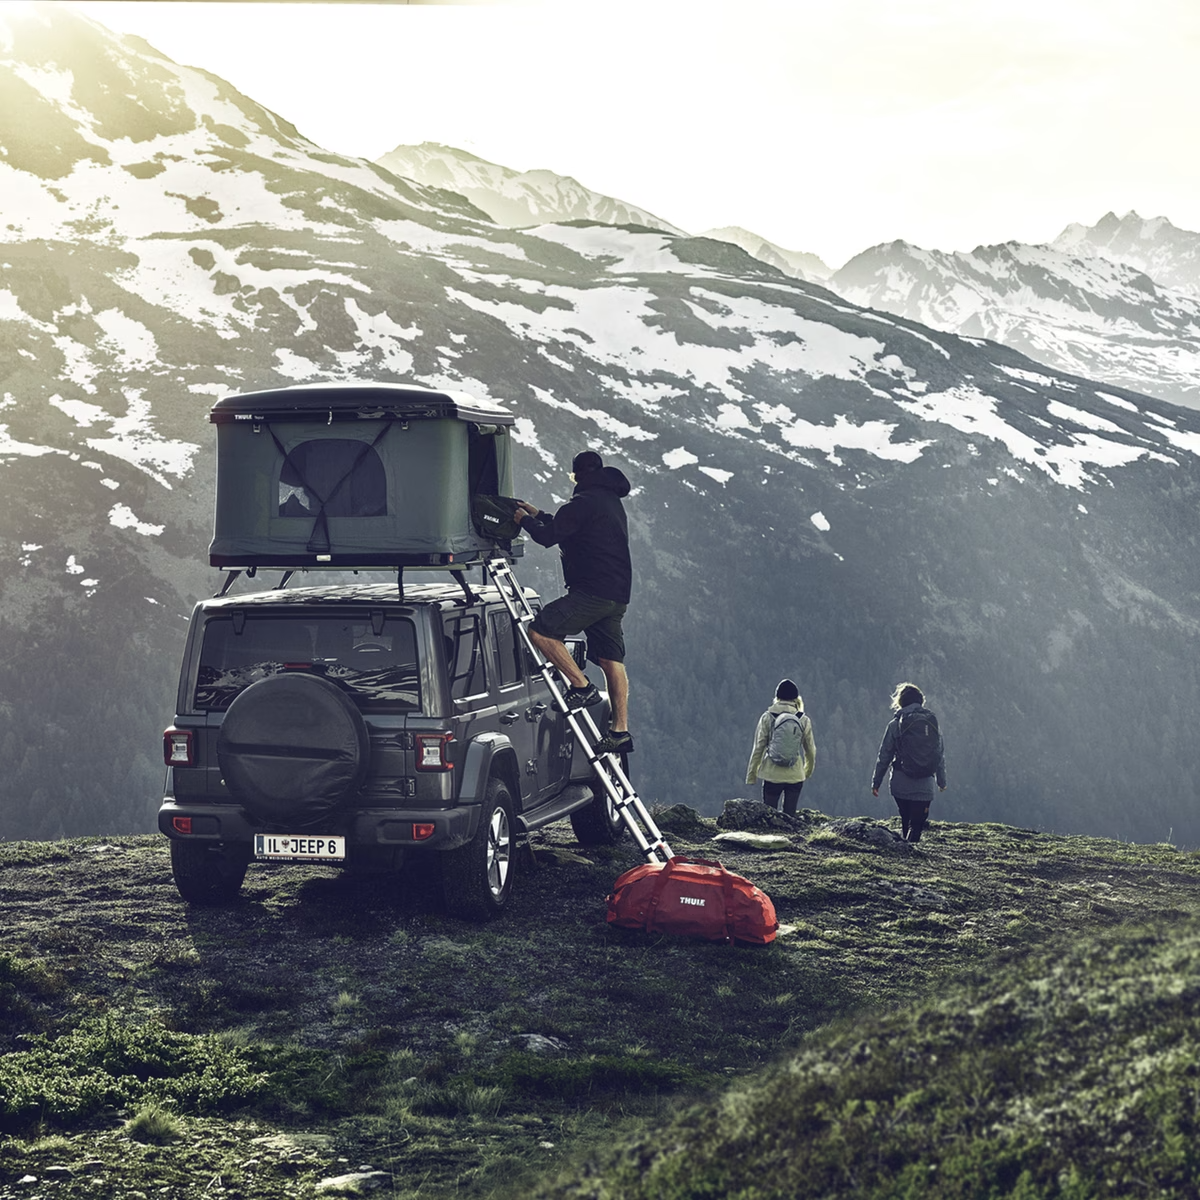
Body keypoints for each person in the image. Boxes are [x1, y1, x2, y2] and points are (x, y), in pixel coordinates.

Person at [514, 450, 633, 755]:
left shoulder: (582, 502)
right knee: (611, 660)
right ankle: (620, 731)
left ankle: (582, 687)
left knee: (541, 631)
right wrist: (538, 514)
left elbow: (547, 537)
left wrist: (524, 521)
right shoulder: (609, 501)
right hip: (616, 594)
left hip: (591, 592)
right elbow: (566, 527)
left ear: (578, 475)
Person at [871, 681, 947, 843]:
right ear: (921, 701)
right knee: (917, 824)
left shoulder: (895, 725)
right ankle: (912, 851)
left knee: (906, 818)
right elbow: (939, 754)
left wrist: (876, 782)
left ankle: (905, 853)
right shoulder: (932, 724)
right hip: (925, 783)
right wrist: (941, 781)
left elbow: (884, 755)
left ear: (900, 702)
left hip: (900, 782)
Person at [745, 679, 816, 815]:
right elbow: (810, 750)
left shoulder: (767, 717)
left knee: (769, 815)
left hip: (771, 774)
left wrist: (752, 774)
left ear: (777, 697)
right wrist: (806, 771)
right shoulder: (803, 719)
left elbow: (758, 748)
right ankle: (790, 835)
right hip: (795, 775)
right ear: (796, 698)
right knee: (790, 816)